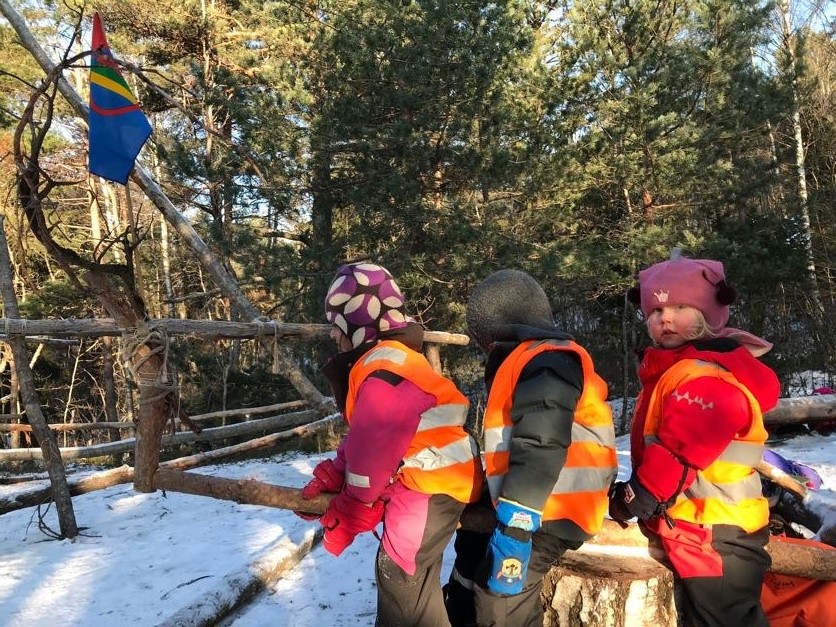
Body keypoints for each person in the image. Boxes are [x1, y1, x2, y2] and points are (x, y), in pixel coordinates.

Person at [299, 262, 483, 627]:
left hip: (429, 488)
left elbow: (376, 443)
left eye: (336, 327)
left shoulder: (382, 367)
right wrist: (338, 472)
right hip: (438, 484)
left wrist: (354, 503)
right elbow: (369, 435)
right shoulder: (392, 360)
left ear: (355, 325)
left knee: (401, 582)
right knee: (411, 584)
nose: (333, 337)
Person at [608, 250, 781, 627]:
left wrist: (633, 499)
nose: (664, 317)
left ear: (709, 315)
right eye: (654, 312)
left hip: (716, 531)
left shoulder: (707, 376)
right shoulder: (678, 370)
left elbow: (678, 449)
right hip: (700, 526)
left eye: (681, 307)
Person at [445, 268, 617, 627]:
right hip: (539, 506)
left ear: (497, 329)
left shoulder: (547, 361)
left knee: (501, 597)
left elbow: (541, 442)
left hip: (555, 512)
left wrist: (516, 523)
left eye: (483, 340)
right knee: (471, 564)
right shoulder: (529, 360)